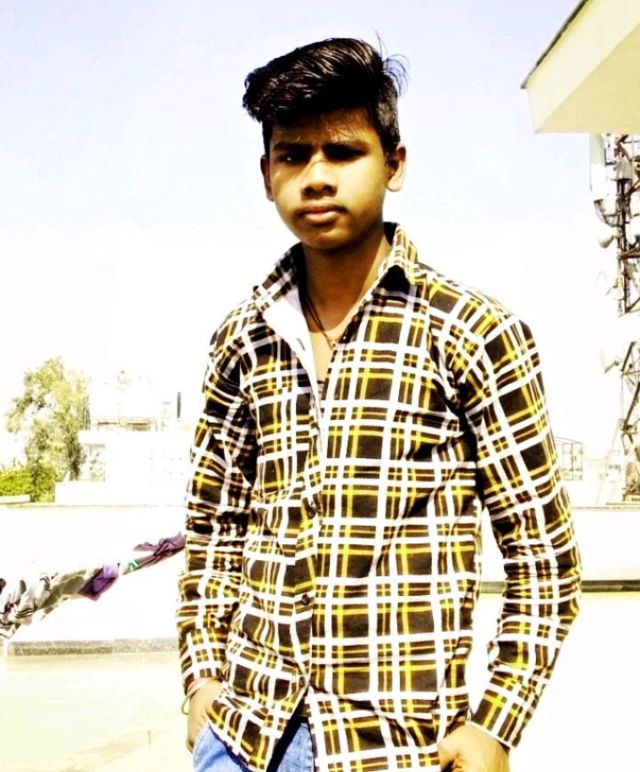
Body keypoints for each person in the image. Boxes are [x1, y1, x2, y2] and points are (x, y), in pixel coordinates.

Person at [177, 37, 581, 772]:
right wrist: (202, 680)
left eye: (343, 152)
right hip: (244, 737)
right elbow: (214, 526)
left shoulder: (470, 332)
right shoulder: (243, 337)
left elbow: (543, 557)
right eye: (293, 155)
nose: (316, 177)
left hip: (397, 747)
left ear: (394, 164)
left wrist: (496, 724)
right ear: (267, 174)